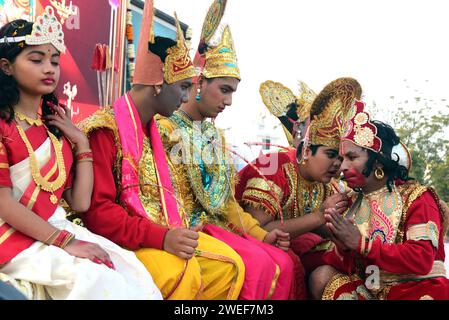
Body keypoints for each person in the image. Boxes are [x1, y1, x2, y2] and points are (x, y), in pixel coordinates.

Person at [80, 0, 244, 300]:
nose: (185, 98)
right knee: (183, 271)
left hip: (156, 231)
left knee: (231, 266)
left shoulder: (158, 132)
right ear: (158, 84)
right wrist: (162, 237)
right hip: (119, 239)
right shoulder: (105, 130)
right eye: (182, 87)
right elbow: (99, 214)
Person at [0, 7, 161, 300]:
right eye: (36, 60)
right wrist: (65, 242)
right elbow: (3, 204)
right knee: (96, 282)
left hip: (55, 228)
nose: (49, 68)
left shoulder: (55, 128)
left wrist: (80, 143)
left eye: (54, 60)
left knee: (131, 272)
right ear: (6, 67)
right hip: (12, 235)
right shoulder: (2, 125)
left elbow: (80, 202)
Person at [157, 0, 295, 300]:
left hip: (219, 228)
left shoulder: (214, 137)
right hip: (185, 232)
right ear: (198, 83)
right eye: (224, 90)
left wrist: (262, 234)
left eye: (232, 92)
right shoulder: (164, 129)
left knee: (284, 262)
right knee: (256, 264)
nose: (229, 102)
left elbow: (227, 203)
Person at [315, 100, 449, 300]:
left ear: (377, 160)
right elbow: (353, 267)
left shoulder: (417, 197)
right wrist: (343, 248)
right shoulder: (351, 203)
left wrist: (361, 244)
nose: (342, 167)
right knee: (321, 275)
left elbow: (421, 259)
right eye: (343, 159)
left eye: (352, 157)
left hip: (418, 290)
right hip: (373, 290)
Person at [236, 78, 360, 284]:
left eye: (341, 158)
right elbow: (257, 231)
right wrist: (319, 216)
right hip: (249, 247)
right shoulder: (273, 167)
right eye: (330, 154)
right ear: (306, 150)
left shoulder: (326, 184)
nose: (338, 165)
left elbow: (324, 232)